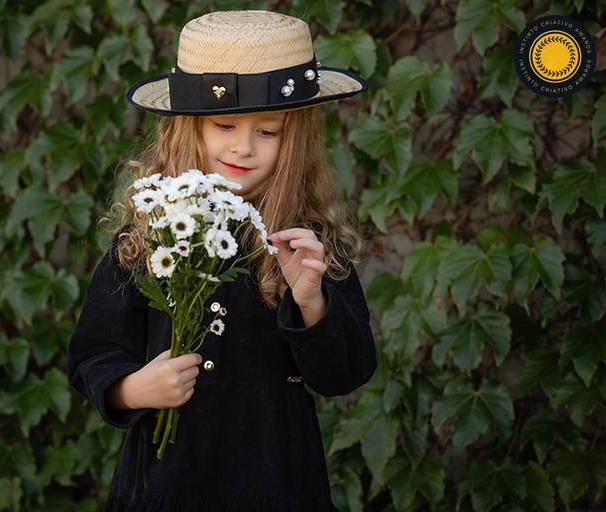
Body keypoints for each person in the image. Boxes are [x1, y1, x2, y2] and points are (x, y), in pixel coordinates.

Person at [66, 9, 377, 511]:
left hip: (276, 482)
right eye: (224, 124)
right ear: (188, 128)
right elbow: (91, 356)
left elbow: (344, 375)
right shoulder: (150, 233)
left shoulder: (308, 244)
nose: (243, 147)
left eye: (268, 132)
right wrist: (133, 389)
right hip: (165, 487)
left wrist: (311, 302)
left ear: (296, 138)